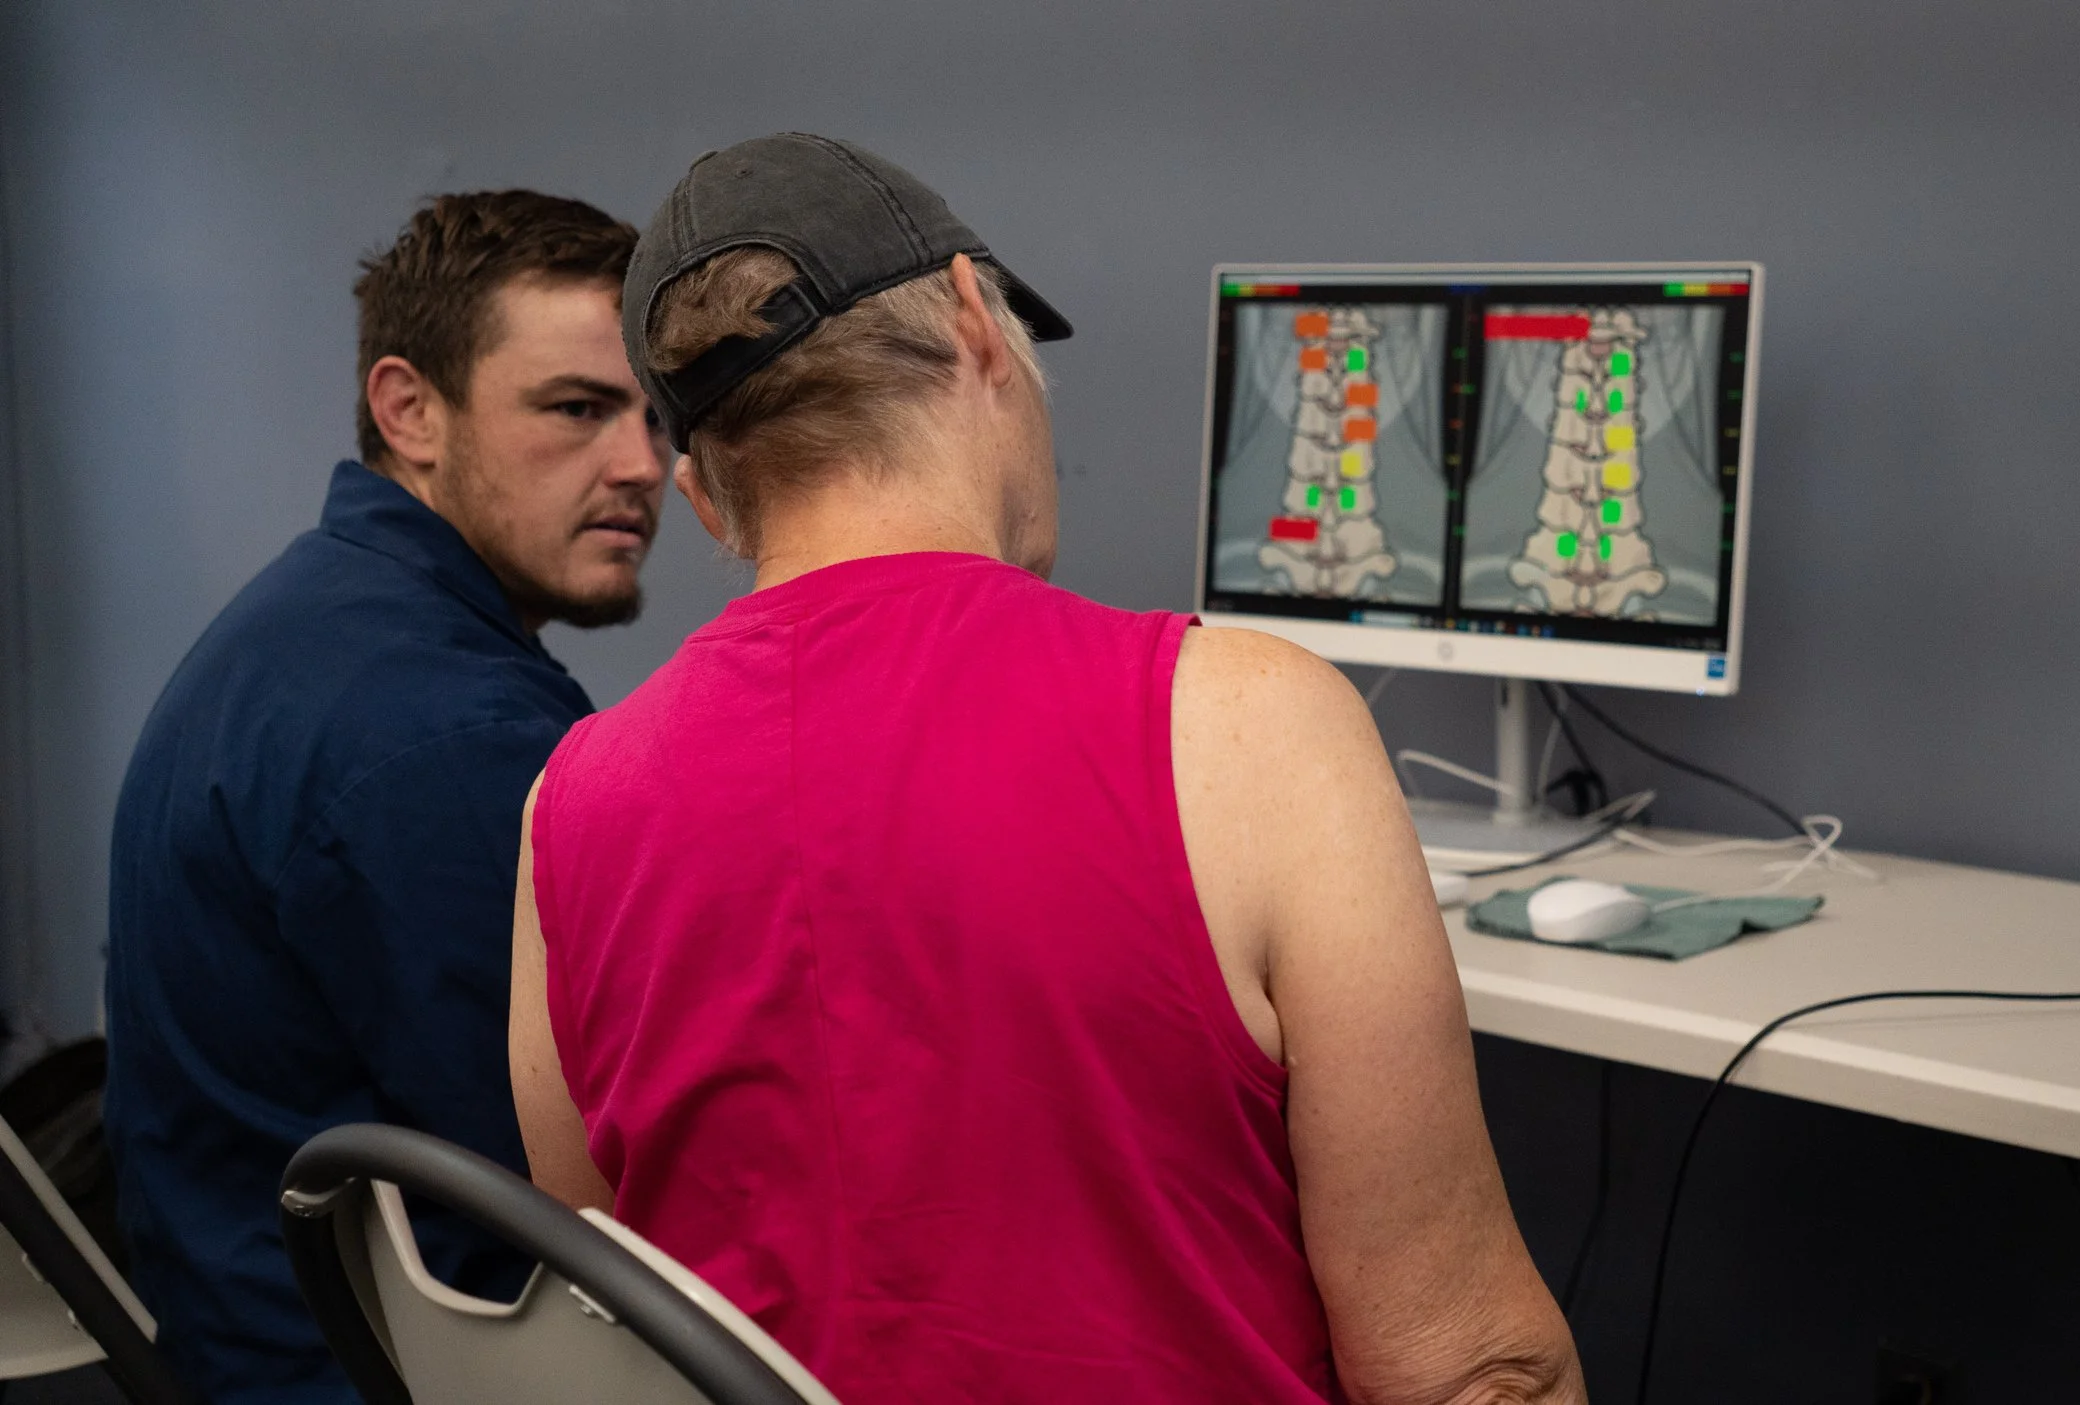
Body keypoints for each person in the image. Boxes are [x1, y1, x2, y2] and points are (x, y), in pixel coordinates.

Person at [511, 134, 1584, 1404]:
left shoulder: (570, 803)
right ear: (977, 320)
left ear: (698, 490)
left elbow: (614, 1323)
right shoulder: (1252, 726)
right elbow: (1462, 1366)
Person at [107, 190, 665, 1402]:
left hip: (242, 1333)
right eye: (577, 409)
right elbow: (600, 1168)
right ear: (410, 410)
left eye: (654, 415)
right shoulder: (441, 732)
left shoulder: (318, 622)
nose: (642, 465)